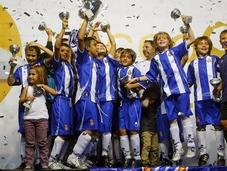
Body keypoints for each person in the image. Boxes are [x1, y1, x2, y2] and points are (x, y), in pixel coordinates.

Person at [126, 16, 196, 162]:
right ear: (156, 44)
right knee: (171, 120)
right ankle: (178, 147)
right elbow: (150, 76)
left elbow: (191, 40)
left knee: (184, 115)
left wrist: (187, 25)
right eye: (158, 39)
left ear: (169, 41)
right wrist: (137, 79)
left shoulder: (175, 51)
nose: (161, 40)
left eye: (164, 38)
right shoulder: (155, 60)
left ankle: (191, 145)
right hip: (167, 92)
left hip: (181, 88)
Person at [7, 43, 52, 169]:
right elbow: (11, 82)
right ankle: (26, 161)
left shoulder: (42, 66)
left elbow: (53, 56)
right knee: (25, 133)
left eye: (33, 55)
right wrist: (11, 68)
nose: (31, 58)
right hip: (25, 105)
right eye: (28, 55)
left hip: (41, 105)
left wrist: (38, 44)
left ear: (38, 56)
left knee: (42, 136)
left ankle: (40, 162)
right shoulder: (21, 69)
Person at [66, 16, 100, 169]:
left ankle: (81, 158)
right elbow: (81, 37)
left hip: (93, 100)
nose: (97, 47)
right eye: (94, 45)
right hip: (84, 98)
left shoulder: (95, 61)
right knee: (89, 129)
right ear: (87, 48)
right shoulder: (83, 58)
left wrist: (94, 30)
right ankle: (74, 156)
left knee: (95, 132)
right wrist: (86, 18)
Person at [187, 36, 225, 166]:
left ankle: (221, 156)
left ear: (209, 47)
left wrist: (220, 86)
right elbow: (188, 82)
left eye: (206, 44)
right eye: (201, 44)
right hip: (200, 100)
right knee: (201, 126)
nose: (204, 46)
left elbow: (224, 74)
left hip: (214, 99)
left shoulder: (215, 60)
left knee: (218, 125)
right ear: (196, 47)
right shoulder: (193, 64)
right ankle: (203, 154)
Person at [19, 65, 53, 170]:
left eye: (33, 74)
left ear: (40, 75)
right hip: (29, 119)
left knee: (42, 142)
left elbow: (54, 92)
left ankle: (44, 163)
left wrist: (43, 85)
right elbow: (20, 101)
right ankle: (29, 164)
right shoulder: (26, 88)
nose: (30, 76)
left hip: (42, 118)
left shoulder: (43, 88)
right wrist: (26, 99)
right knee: (30, 143)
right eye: (29, 74)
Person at [117, 48, 144, 168]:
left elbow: (145, 82)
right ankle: (127, 157)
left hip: (133, 102)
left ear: (132, 59)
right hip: (123, 103)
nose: (125, 59)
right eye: (123, 57)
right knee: (122, 130)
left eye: (128, 57)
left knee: (133, 129)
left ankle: (137, 157)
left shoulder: (134, 69)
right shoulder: (118, 70)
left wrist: (131, 85)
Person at [140, 84, 161, 167]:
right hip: (146, 129)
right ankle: (145, 162)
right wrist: (147, 98)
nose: (153, 101)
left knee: (155, 148)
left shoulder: (156, 104)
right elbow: (143, 104)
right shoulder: (144, 103)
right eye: (152, 99)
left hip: (154, 128)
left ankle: (154, 163)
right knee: (147, 146)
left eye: (154, 100)